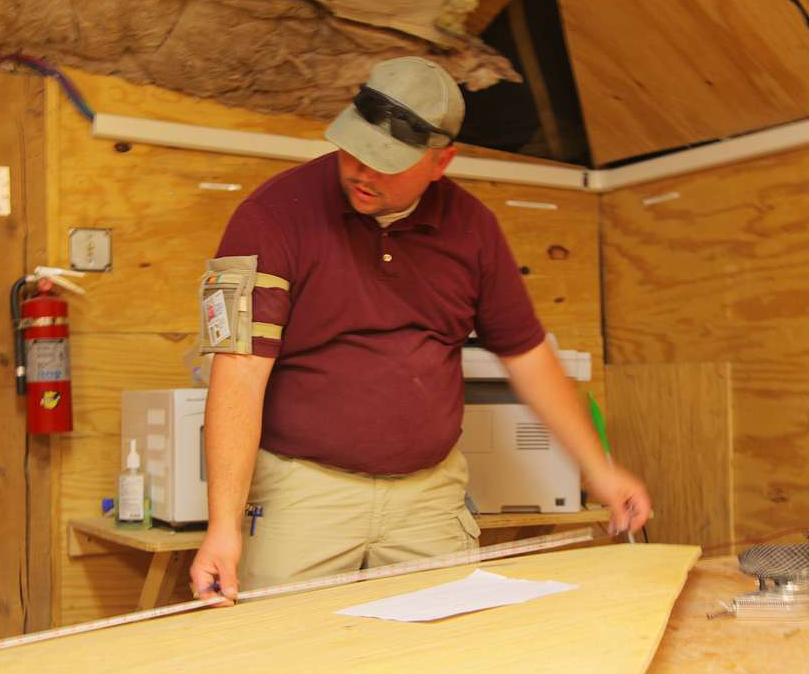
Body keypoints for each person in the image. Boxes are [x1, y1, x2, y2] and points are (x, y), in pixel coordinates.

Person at [190, 56, 650, 603]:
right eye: (356, 150)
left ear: (441, 162)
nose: (362, 171)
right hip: (303, 491)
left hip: (428, 495)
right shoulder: (273, 215)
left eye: (386, 162)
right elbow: (239, 371)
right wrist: (223, 527)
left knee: (446, 650)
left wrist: (598, 469)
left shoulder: (473, 229)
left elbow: (527, 355)